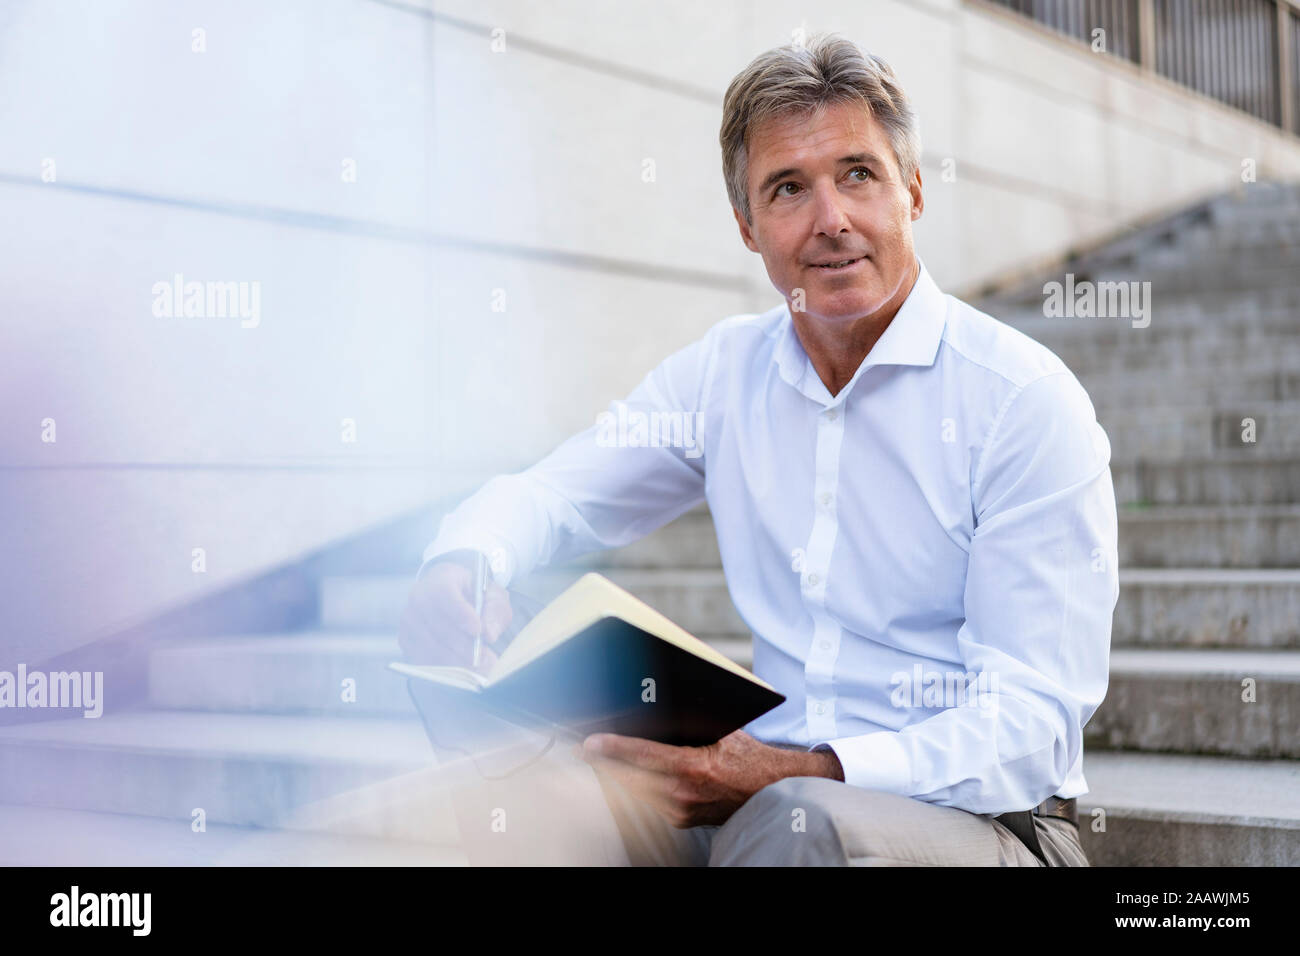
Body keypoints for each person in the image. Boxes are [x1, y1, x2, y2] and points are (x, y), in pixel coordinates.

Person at [398, 32, 1115, 866]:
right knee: (512, 791)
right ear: (747, 227)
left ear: (913, 191)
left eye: (858, 174)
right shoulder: (724, 374)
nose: (831, 220)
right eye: (787, 189)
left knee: (799, 822)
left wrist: (808, 770)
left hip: (992, 825)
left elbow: (1030, 726)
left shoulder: (1021, 401)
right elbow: (558, 494)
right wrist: (462, 559)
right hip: (766, 800)